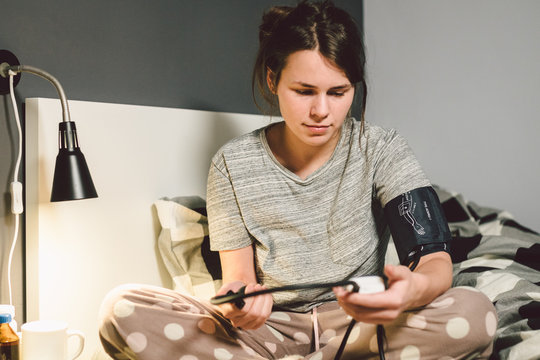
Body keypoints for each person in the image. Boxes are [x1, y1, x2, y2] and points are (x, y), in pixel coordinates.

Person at [99, 1, 497, 359]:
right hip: (272, 332)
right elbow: (237, 280)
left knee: (475, 313)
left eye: (338, 92)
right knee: (122, 309)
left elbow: (434, 260)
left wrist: (410, 291)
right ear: (273, 81)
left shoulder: (382, 149)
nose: (321, 110)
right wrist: (239, 302)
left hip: (360, 326)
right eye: (304, 91)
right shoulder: (230, 164)